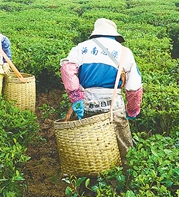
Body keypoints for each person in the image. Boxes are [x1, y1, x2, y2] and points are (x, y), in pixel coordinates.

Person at [60, 18, 143, 164]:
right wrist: (132, 110)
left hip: (87, 104)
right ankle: (125, 175)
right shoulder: (124, 52)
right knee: (124, 149)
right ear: (114, 35)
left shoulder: (80, 48)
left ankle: (89, 176)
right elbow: (134, 87)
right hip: (113, 105)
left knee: (89, 148)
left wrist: (76, 98)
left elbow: (67, 69)